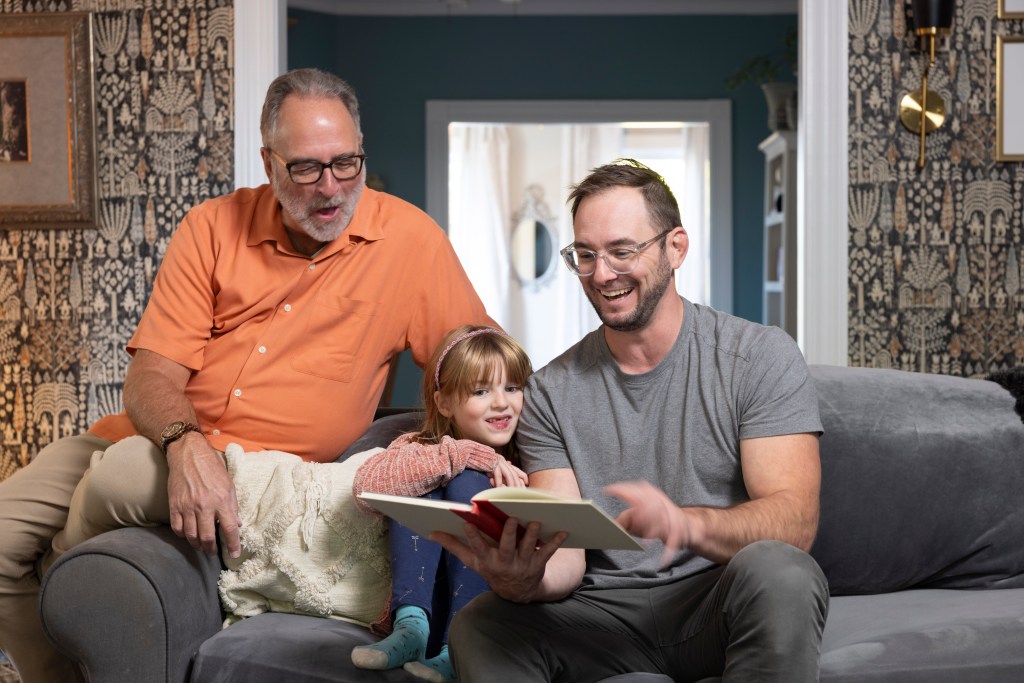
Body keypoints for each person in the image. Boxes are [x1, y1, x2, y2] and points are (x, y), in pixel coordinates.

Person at [0, 68, 493, 683]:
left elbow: (481, 361)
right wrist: (185, 446)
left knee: (119, 482)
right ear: (269, 162)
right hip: (147, 433)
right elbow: (152, 375)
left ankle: (66, 563)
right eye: (307, 169)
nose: (332, 188)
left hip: (254, 471)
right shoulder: (211, 227)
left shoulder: (410, 242)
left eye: (347, 163)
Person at [436, 159, 829, 681]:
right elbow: (567, 556)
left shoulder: (759, 357)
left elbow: (794, 522)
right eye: (585, 255)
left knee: (783, 571)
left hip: (715, 602)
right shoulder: (550, 391)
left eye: (623, 251)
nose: (601, 274)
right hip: (602, 618)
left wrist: (686, 524)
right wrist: (522, 579)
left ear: (675, 248)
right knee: (479, 624)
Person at [351, 325, 533, 682]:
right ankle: (410, 629)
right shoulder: (421, 446)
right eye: (481, 391)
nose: (501, 402)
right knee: (427, 476)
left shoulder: (532, 457)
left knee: (469, 483)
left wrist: (504, 477)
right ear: (444, 402)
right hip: (425, 603)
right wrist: (464, 453)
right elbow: (365, 491)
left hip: (488, 614)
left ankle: (461, 647)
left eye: (512, 388)